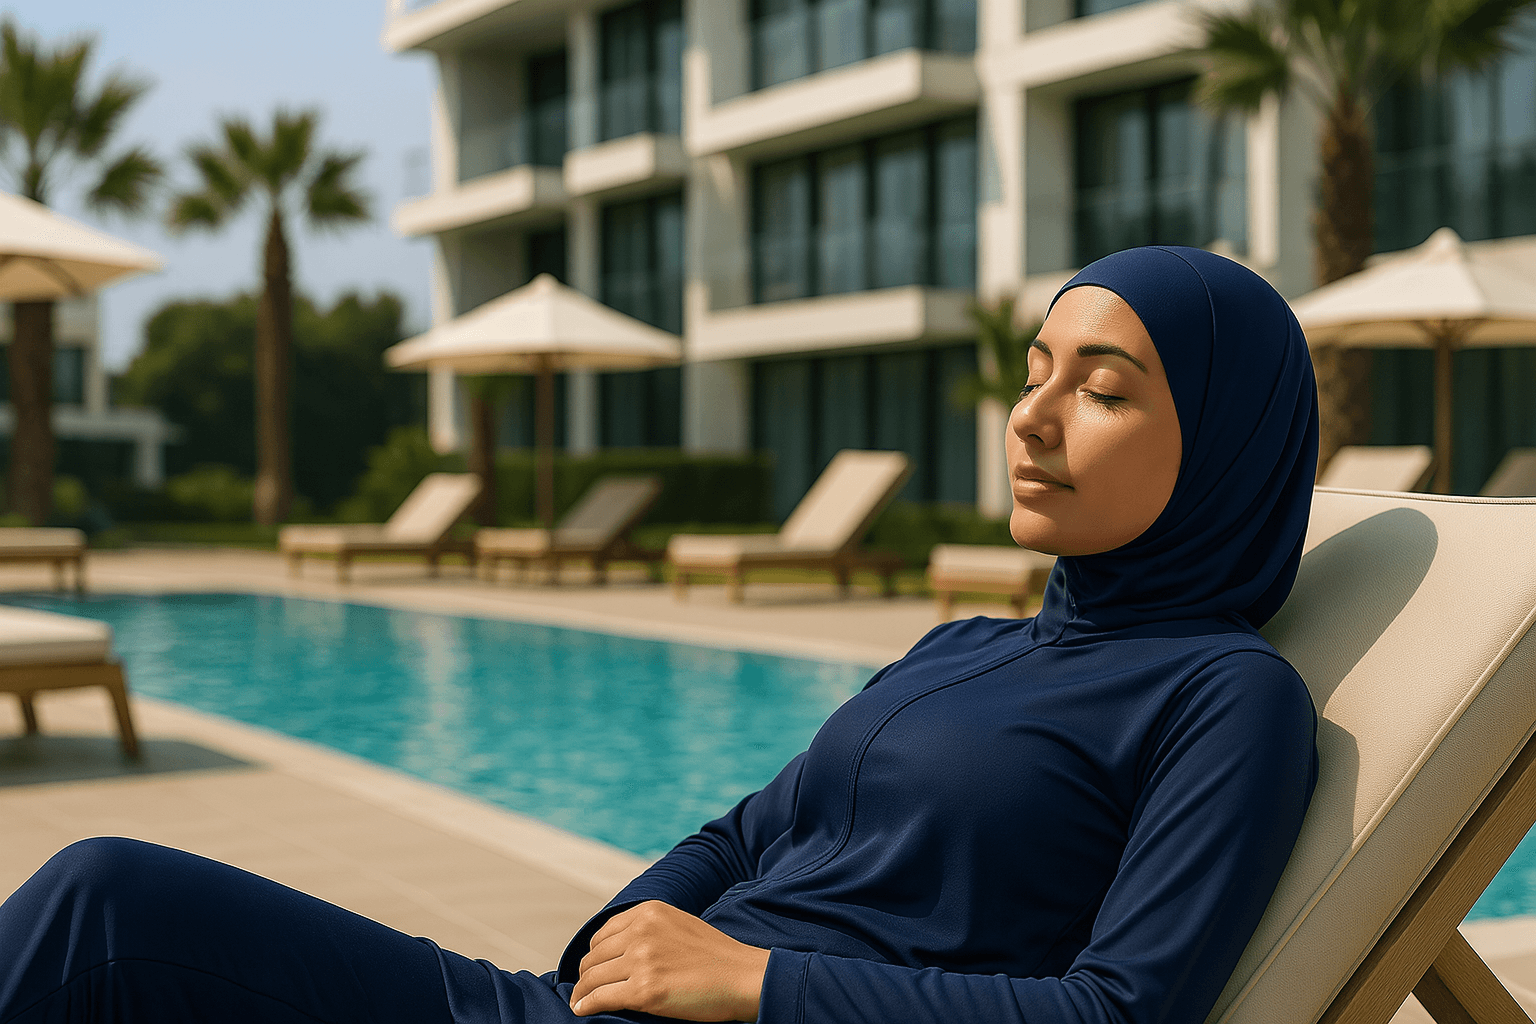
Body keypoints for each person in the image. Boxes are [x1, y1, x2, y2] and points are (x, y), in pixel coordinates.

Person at [0, 245, 1319, 1024]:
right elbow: (745, 833)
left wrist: (755, 986)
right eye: (1034, 373)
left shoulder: (1222, 695)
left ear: (1222, 448)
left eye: (1102, 390)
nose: (1031, 416)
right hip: (583, 1009)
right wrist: (617, 943)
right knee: (105, 898)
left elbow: (1118, 1011)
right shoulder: (963, 645)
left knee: (109, 917)